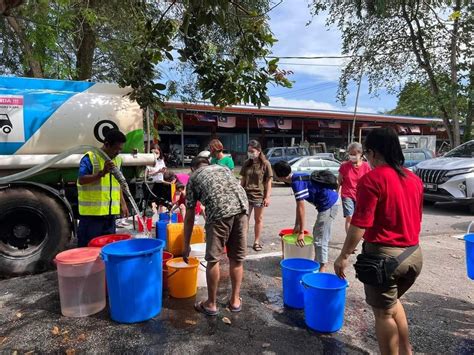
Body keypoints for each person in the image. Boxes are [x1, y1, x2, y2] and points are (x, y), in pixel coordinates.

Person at [334, 128, 423, 355]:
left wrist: (343, 256)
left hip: (385, 260)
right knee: (392, 304)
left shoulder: (371, 179)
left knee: (382, 313)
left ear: (372, 153)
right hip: (413, 255)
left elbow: (359, 224)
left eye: (365, 154)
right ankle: (406, 351)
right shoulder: (413, 178)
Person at [182, 157, 248, 316]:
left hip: (219, 213)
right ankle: (235, 301)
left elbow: (189, 216)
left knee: (213, 260)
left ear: (193, 168)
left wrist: (186, 246)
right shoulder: (222, 168)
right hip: (242, 208)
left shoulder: (194, 177)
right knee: (237, 259)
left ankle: (211, 304)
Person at [273, 161, 338, 272]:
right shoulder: (296, 177)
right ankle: (318, 263)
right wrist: (297, 225)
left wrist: (302, 232)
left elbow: (301, 208)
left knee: (320, 238)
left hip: (329, 205)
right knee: (319, 234)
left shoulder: (296, 183)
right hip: (328, 204)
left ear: (280, 176)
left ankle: (322, 267)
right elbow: (298, 207)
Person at [77, 129, 129, 247]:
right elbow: (82, 180)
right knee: (89, 248)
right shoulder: (90, 157)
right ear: (106, 144)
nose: (118, 152)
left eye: (121, 149)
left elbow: (118, 183)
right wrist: (102, 173)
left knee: (108, 248)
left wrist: (123, 203)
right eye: (116, 148)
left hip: (110, 215)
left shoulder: (117, 160)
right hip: (92, 216)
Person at [240, 140, 273, 251]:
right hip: (246, 195)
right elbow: (243, 180)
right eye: (249, 151)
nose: (250, 153)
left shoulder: (265, 164)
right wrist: (239, 193)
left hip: (259, 195)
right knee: (244, 220)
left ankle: (256, 241)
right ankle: (242, 242)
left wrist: (267, 197)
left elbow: (268, 182)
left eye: (252, 151)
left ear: (259, 151)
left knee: (258, 219)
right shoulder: (246, 163)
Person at [338, 142, 371, 233]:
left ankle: (359, 236)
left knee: (360, 218)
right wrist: (335, 195)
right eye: (350, 154)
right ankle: (350, 241)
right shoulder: (344, 166)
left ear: (360, 154)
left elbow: (370, 182)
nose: (352, 156)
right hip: (347, 194)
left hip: (361, 196)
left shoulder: (366, 166)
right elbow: (339, 181)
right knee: (350, 217)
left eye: (354, 154)